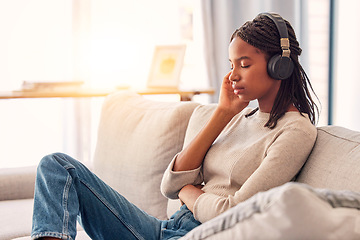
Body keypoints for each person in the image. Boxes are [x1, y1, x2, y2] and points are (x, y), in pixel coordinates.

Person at [31, 12, 319, 240]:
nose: (232, 76)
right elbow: (170, 184)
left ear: (280, 67)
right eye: (231, 65)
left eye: (243, 64)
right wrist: (221, 114)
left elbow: (234, 212)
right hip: (163, 228)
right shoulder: (240, 117)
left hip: (196, 234)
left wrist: (188, 192)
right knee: (56, 166)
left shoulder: (295, 131)